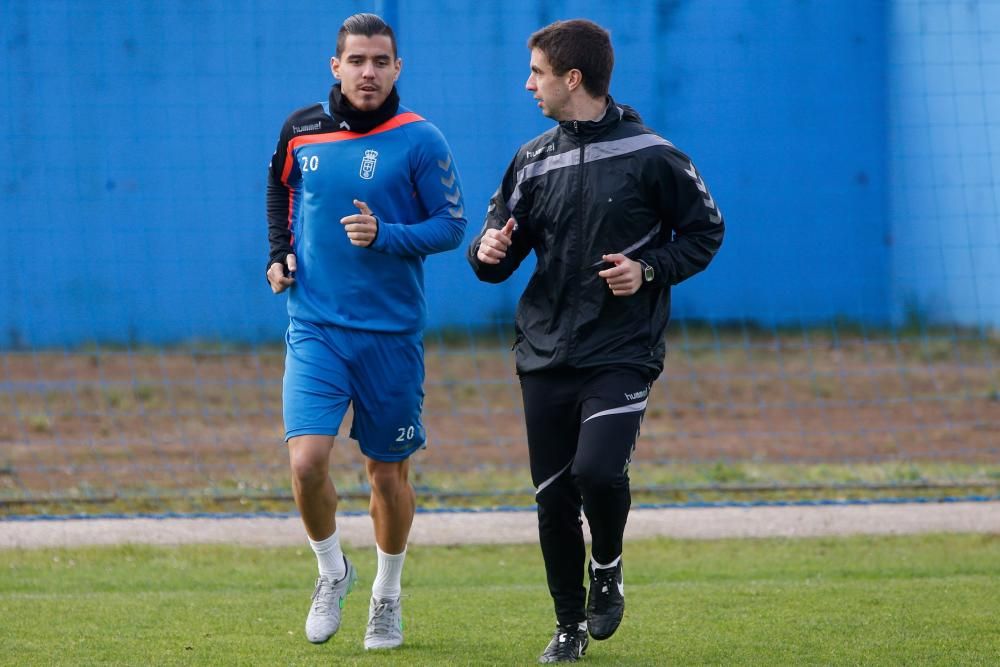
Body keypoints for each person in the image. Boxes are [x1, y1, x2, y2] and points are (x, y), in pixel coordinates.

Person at [468, 19, 724, 664]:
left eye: (537, 73)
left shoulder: (653, 155)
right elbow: (495, 250)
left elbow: (704, 232)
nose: (529, 84)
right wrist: (488, 248)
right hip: (544, 349)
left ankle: (606, 570)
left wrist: (649, 270)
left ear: (572, 78)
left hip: (622, 347)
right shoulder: (532, 158)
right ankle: (567, 626)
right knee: (554, 499)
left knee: (597, 471)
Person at [265, 13, 466, 651]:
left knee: (386, 475)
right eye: (357, 61)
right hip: (316, 327)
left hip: (391, 335)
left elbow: (451, 226)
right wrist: (279, 252)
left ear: (397, 67)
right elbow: (280, 186)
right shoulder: (302, 131)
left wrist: (387, 236)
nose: (368, 72)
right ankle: (332, 572)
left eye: (381, 61)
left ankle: (386, 593)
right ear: (336, 66)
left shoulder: (421, 139)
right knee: (306, 462)